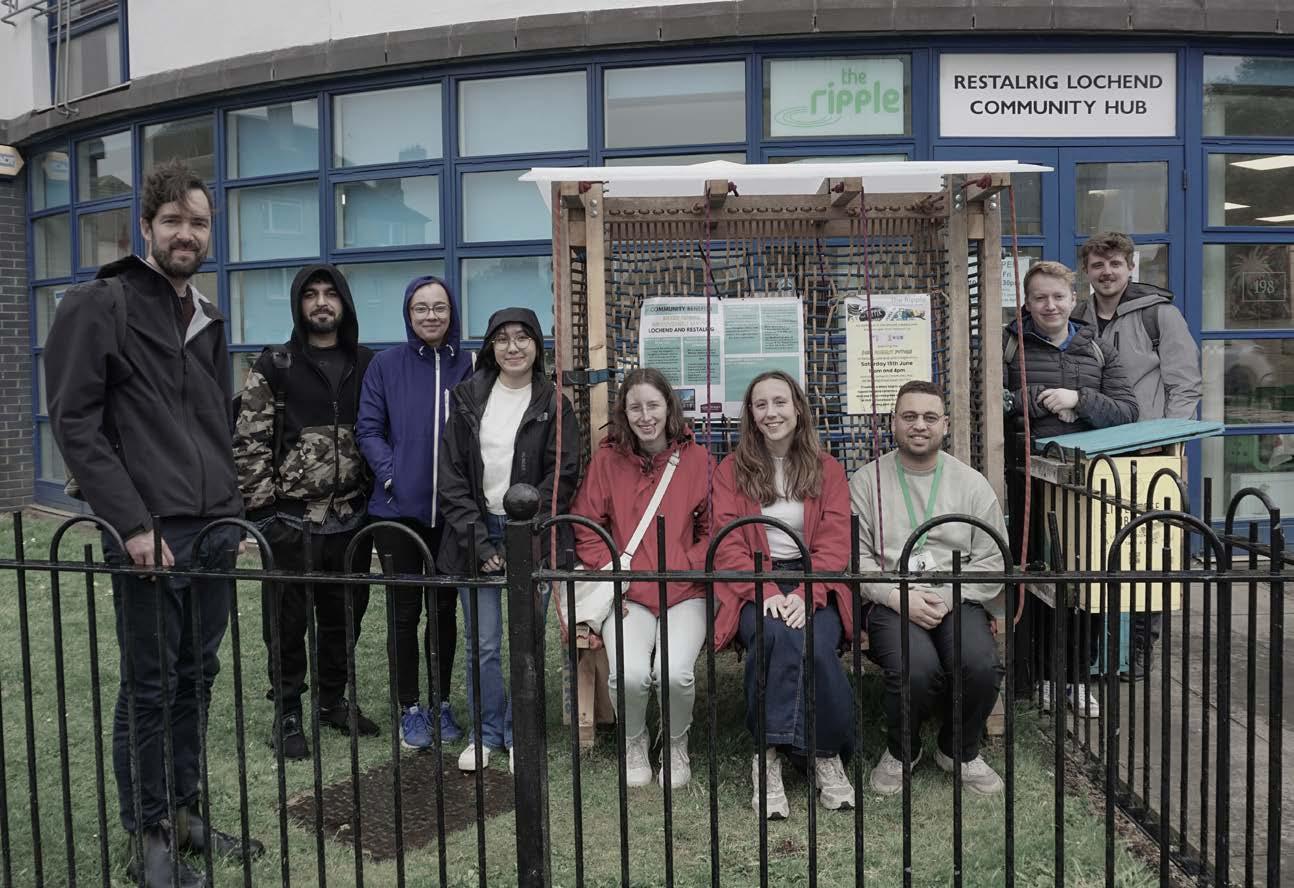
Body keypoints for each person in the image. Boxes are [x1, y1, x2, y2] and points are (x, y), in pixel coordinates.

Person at [45, 160, 263, 887]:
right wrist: (132, 523)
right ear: (146, 227)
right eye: (172, 221)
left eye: (198, 223)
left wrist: (232, 512)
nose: (185, 234)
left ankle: (185, 809)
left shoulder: (206, 316)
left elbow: (213, 425)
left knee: (196, 678)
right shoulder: (99, 304)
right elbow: (75, 423)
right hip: (150, 531)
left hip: (213, 528)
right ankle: (151, 836)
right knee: (151, 685)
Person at [234, 263, 377, 761]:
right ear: (299, 304)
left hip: (351, 520)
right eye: (311, 294)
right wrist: (263, 514)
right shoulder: (275, 364)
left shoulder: (366, 363)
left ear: (344, 303)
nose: (321, 302)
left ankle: (332, 700)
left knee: (345, 617)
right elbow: (249, 441)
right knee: (286, 622)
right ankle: (289, 710)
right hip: (291, 520)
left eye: (330, 294)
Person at [850, 380, 1008, 796]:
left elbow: (994, 559)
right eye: (909, 416)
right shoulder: (866, 482)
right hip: (891, 598)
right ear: (893, 423)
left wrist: (949, 596)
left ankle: (958, 749)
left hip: (957, 595)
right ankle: (902, 750)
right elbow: (855, 559)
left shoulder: (971, 484)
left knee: (981, 664)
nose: (919, 425)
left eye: (929, 417)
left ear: (945, 424)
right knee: (915, 669)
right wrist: (895, 596)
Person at [438, 307, 579, 773]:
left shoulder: (554, 403)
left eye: (522, 337)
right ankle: (485, 732)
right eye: (502, 338)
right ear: (490, 347)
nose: (513, 347)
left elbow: (562, 476)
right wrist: (481, 544)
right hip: (475, 532)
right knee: (483, 643)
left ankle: (522, 733)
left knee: (527, 641)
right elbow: (451, 477)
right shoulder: (465, 398)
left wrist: (526, 533)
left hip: (530, 533)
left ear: (537, 346)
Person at [712, 370, 856, 819]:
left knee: (816, 642)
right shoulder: (730, 471)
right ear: (751, 415)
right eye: (761, 405)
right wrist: (768, 589)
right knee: (775, 636)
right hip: (755, 582)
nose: (771, 413)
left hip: (815, 581)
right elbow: (728, 543)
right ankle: (775, 758)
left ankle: (816, 753)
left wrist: (807, 594)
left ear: (797, 409)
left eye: (779, 402)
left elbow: (835, 542)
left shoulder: (828, 469)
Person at [1004, 260, 1139, 718]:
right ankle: (1042, 677)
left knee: (1088, 582)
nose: (1050, 305)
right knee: (1039, 577)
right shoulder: (1009, 347)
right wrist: (1043, 398)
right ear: (1026, 302)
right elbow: (989, 401)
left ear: (1073, 299)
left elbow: (1128, 412)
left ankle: (1078, 679)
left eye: (1058, 296)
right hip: (1030, 481)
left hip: (1086, 483)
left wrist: (1080, 400)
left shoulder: (1097, 349)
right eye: (1040, 297)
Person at [569, 368, 713, 789]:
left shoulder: (698, 460)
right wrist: (614, 574)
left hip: (684, 591)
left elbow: (714, 529)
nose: (645, 416)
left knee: (675, 673)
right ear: (624, 412)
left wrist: (683, 564)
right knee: (629, 674)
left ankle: (676, 744)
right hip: (629, 592)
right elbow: (586, 525)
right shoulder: (607, 461)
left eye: (653, 405)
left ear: (669, 407)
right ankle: (634, 740)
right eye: (635, 408)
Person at [356, 275, 473, 750]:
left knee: (443, 609)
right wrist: (393, 475)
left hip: (451, 513)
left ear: (452, 312)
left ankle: (440, 702)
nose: (431, 316)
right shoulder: (386, 365)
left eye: (439, 307)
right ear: (408, 314)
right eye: (420, 308)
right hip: (397, 511)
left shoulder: (469, 365)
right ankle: (409, 708)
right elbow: (368, 430)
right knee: (405, 612)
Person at [1078, 232, 1202, 679]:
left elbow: (1185, 384)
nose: (1106, 272)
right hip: (1093, 453)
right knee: (1097, 553)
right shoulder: (1077, 317)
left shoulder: (1159, 314)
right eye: (1098, 265)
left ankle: (1138, 651)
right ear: (1087, 271)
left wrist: (1167, 443)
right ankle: (1097, 651)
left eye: (1115, 263)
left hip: (1149, 455)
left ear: (1131, 266)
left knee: (1148, 554)